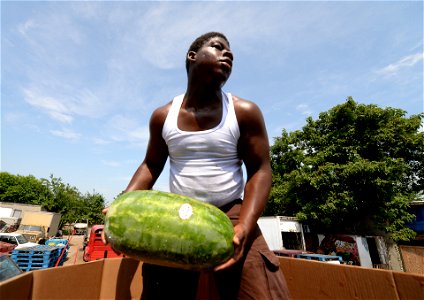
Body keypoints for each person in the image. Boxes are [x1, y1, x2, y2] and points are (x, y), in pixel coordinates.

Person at [104, 32, 291, 300]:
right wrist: (122, 204)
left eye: (231, 54)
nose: (228, 55)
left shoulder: (244, 111)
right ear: (192, 56)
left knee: (264, 293)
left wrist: (246, 226)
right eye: (218, 48)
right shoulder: (163, 116)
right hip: (177, 215)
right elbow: (151, 164)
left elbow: (261, 170)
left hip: (232, 215)